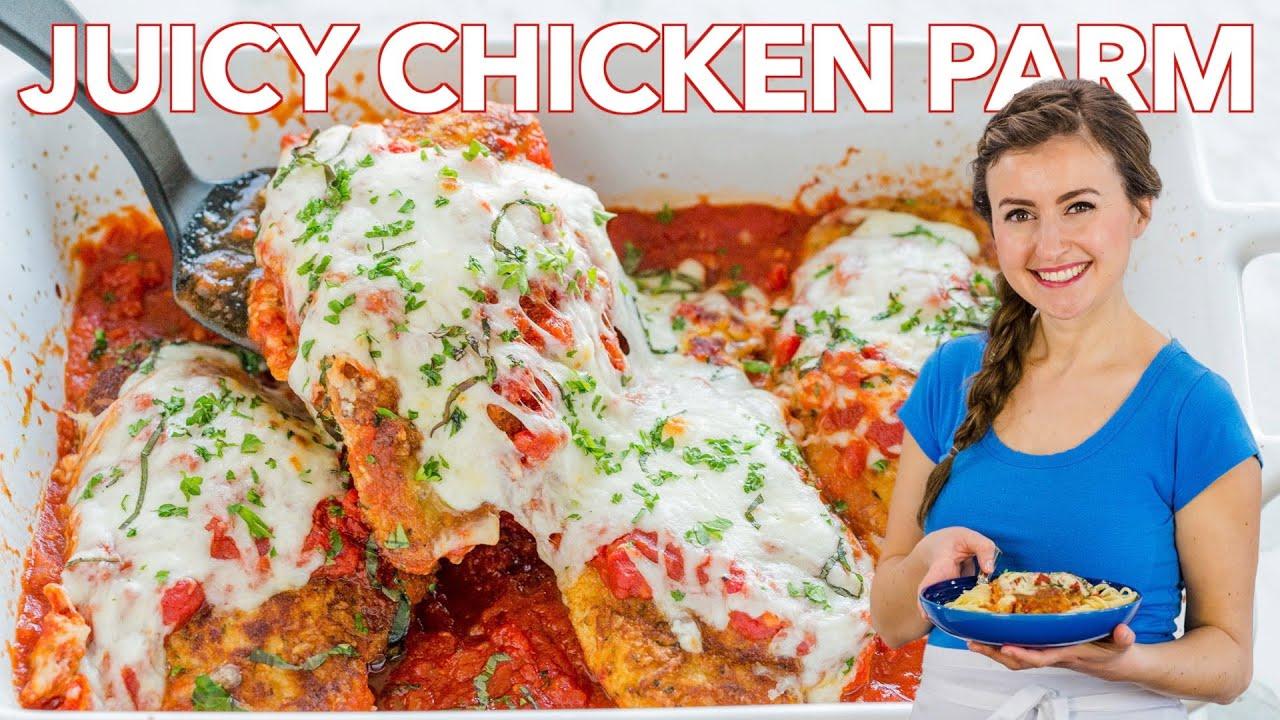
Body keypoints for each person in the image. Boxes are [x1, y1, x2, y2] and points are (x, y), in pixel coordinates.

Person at [870, 78, 1262, 719]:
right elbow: (890, 622)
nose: (1049, 246)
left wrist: (1116, 661)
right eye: (1019, 214)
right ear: (994, 229)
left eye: (1078, 206)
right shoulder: (951, 375)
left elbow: (1229, 664)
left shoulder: (1195, 409)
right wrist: (924, 563)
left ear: (1140, 209)